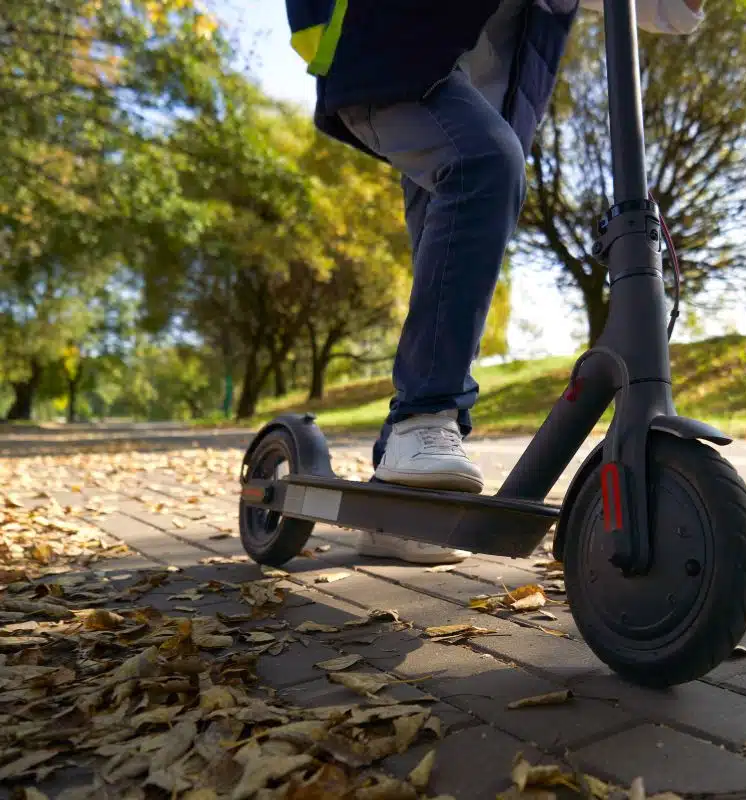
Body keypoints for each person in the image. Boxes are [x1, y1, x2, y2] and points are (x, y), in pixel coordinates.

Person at [286, 0, 704, 563]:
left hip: (472, 103)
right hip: (390, 57)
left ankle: (397, 494)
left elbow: (666, 10)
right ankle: (422, 420)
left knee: (450, 266)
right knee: (486, 165)